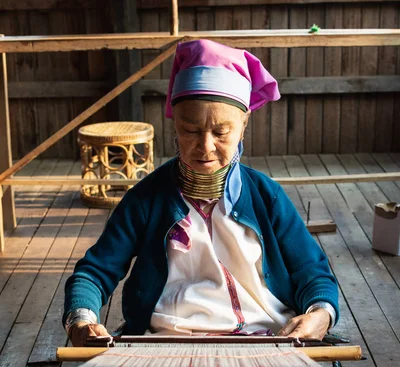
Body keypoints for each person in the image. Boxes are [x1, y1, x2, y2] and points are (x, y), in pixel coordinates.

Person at [63, 39, 339, 347]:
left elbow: (312, 272)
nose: (205, 147)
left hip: (267, 339)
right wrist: (81, 318)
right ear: (174, 125)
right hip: (168, 342)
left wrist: (321, 314)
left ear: (244, 124)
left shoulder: (266, 196)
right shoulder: (146, 199)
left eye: (221, 132)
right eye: (191, 130)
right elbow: (94, 271)